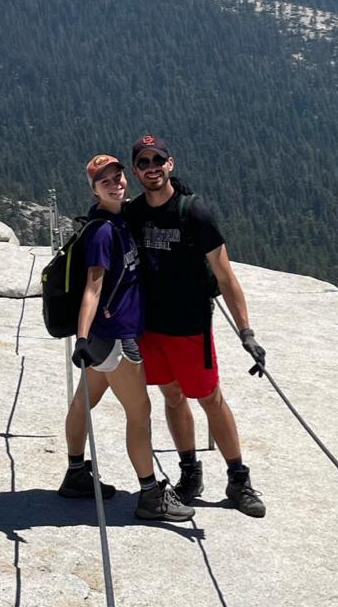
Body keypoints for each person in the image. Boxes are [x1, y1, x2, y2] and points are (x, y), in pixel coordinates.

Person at [124, 134, 267, 517]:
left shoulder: (194, 212)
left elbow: (225, 275)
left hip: (190, 328)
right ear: (136, 170)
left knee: (209, 398)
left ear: (170, 164)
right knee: (171, 396)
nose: (151, 167)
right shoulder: (134, 213)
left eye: (158, 160)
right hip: (151, 329)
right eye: (143, 162)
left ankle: (238, 478)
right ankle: (190, 472)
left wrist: (246, 332)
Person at [59, 153, 194, 523]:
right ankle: (150, 494)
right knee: (140, 414)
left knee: (84, 401)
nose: (116, 183)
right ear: (93, 188)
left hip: (104, 341)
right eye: (106, 180)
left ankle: (75, 474)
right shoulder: (104, 231)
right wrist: (82, 337)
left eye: (118, 176)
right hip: (116, 338)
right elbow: (93, 286)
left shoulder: (118, 217)